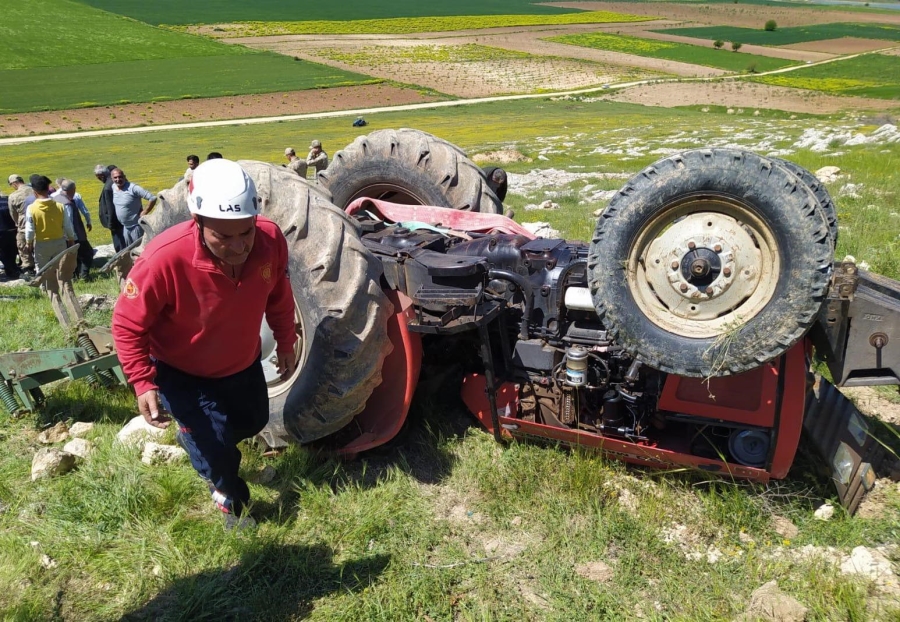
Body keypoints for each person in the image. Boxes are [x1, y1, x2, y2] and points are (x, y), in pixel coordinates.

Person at [111, 159, 297, 530]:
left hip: (242, 362)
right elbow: (127, 323)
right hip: (184, 373)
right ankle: (231, 500)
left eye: (245, 233)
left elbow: (278, 293)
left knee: (254, 420)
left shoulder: (270, 240)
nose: (239, 246)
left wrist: (286, 342)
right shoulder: (165, 259)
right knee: (217, 449)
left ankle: (202, 442)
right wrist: (143, 381)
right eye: (222, 237)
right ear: (197, 223)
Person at [24, 175, 75, 274]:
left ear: (34, 192)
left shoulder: (31, 208)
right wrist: (71, 239)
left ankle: (45, 289)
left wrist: (29, 243)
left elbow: (30, 229)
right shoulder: (60, 206)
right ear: (48, 189)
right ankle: (64, 288)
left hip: (42, 243)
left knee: (42, 270)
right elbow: (68, 225)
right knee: (61, 269)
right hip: (59, 241)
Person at [52, 179, 94, 279]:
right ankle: (84, 276)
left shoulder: (55, 198)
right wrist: (73, 238)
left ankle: (74, 275)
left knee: (71, 257)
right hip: (74, 235)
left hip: (60, 235)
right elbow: (69, 222)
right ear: (73, 189)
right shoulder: (67, 203)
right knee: (87, 254)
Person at [110, 168, 157, 246]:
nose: (118, 179)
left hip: (136, 227)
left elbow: (152, 198)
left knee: (141, 249)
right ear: (112, 178)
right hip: (125, 227)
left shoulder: (133, 188)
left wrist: (145, 211)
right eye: (115, 177)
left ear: (124, 177)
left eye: (120, 177)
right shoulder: (113, 187)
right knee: (130, 250)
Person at [7, 174, 35, 276]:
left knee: (22, 245)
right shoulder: (34, 190)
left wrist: (17, 223)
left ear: (14, 183)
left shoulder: (13, 196)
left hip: (24, 223)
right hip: (39, 222)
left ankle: (29, 267)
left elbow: (13, 213)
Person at [96, 164, 125, 253]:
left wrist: (111, 223)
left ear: (101, 176)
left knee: (119, 244)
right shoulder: (112, 183)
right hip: (120, 219)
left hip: (115, 222)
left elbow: (110, 207)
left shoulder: (108, 187)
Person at [0, 193, 19, 280]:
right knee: (12, 250)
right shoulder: (8, 200)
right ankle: (13, 268)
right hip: (12, 228)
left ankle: (10, 269)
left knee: (3, 252)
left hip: (1, 230)